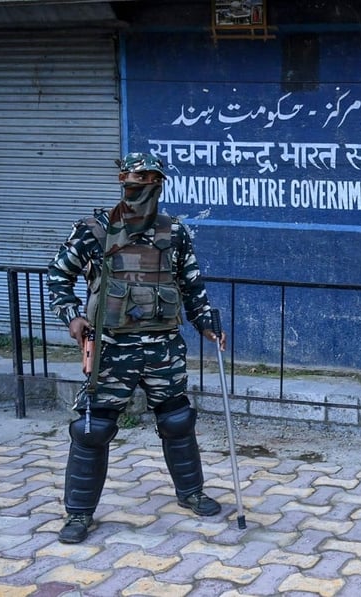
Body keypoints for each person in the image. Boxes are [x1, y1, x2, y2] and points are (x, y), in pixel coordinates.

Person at [47, 152, 227, 544]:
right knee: (91, 429)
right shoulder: (93, 231)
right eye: (130, 181)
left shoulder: (175, 232)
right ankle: (78, 514)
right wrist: (72, 317)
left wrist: (206, 323)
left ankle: (192, 493)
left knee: (178, 420)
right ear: (121, 184)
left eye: (145, 180)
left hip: (163, 346)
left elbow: (192, 285)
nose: (137, 188)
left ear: (158, 184)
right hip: (112, 348)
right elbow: (59, 276)